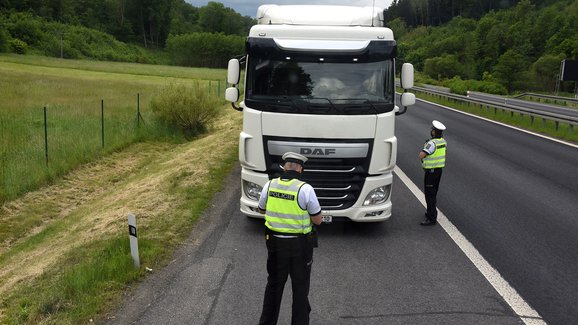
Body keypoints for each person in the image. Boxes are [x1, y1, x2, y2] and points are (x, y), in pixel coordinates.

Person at [258, 152, 323, 325]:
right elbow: (317, 219)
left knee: (273, 287)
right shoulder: (305, 189)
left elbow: (261, 210)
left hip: (275, 245)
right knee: (300, 290)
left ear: (284, 167)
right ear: (301, 169)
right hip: (299, 247)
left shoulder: (269, 185)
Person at [418, 120, 447, 226]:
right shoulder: (443, 141)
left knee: (429, 195)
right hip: (439, 171)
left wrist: (426, 146)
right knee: (433, 193)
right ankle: (431, 213)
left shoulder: (432, 143)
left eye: (432, 130)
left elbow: (421, 155)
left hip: (431, 172)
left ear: (435, 132)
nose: (431, 131)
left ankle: (431, 217)